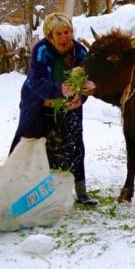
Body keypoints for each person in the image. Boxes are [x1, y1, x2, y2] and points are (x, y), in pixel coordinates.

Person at [9, 12, 98, 206]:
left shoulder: (80, 52)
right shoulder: (41, 50)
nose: (64, 37)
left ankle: (81, 193)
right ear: (50, 35)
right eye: (58, 34)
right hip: (38, 103)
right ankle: (15, 189)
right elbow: (36, 81)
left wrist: (81, 97)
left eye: (67, 32)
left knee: (74, 145)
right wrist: (58, 89)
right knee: (29, 142)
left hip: (67, 105)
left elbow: (84, 81)